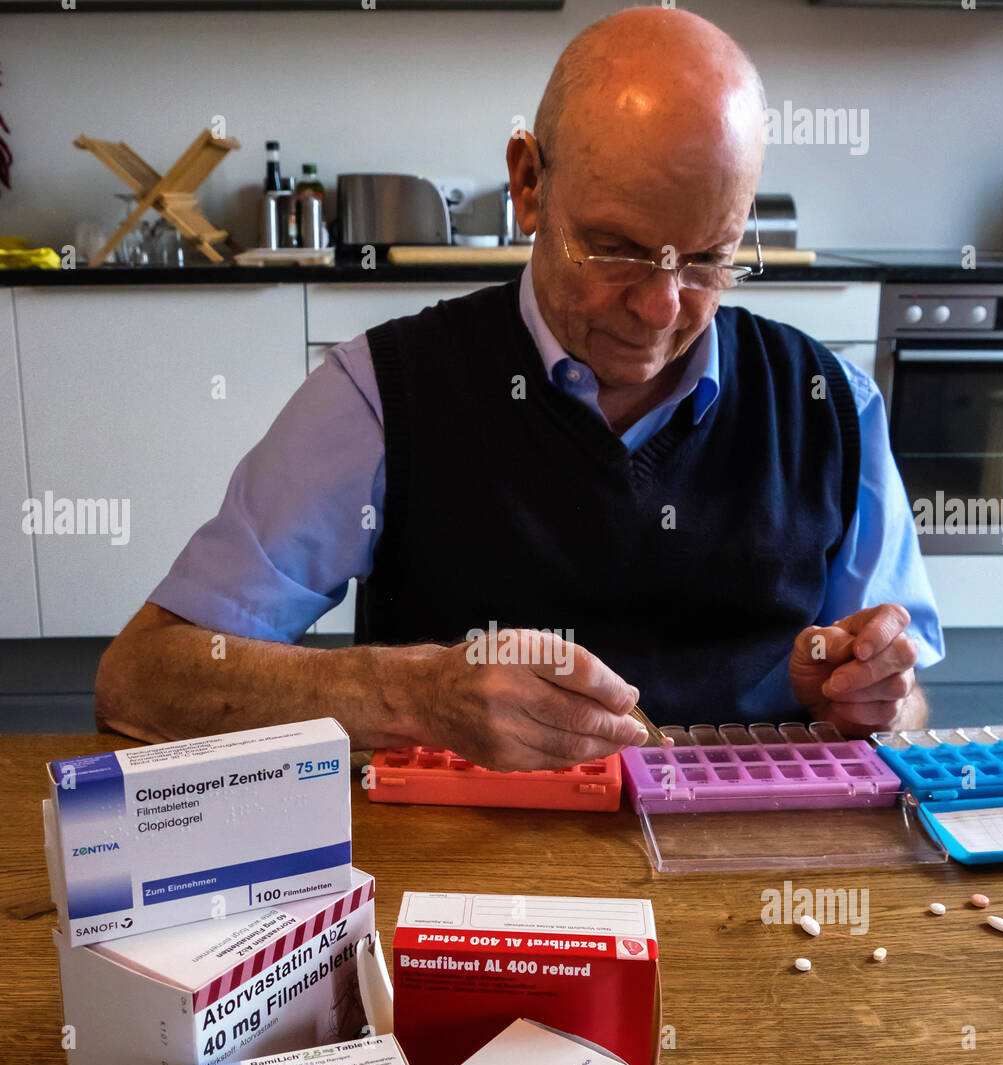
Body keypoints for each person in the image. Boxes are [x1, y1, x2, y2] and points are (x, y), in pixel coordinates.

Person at [96, 7, 942, 770]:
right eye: (615, 247)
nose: (659, 309)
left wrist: (870, 697)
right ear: (529, 184)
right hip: (460, 881)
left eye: (710, 260)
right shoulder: (386, 393)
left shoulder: (832, 406)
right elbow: (141, 680)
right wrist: (418, 694)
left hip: (747, 872)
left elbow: (904, 710)